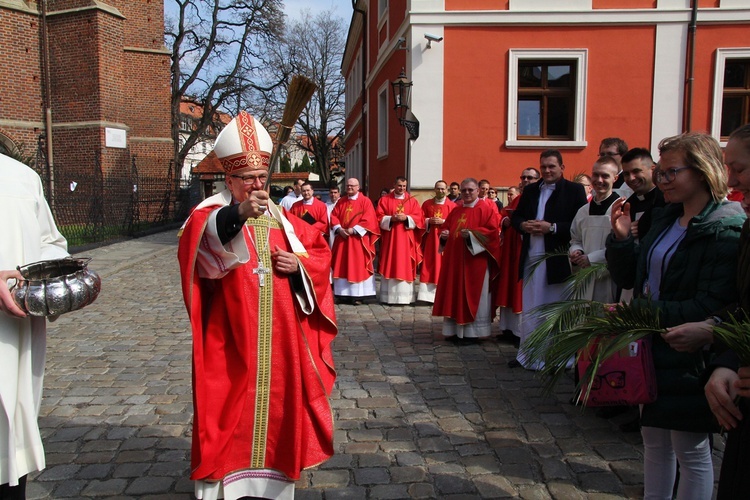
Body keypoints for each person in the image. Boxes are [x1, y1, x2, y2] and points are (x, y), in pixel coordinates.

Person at [177, 111, 337, 500]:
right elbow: (199, 248)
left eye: (260, 177)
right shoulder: (210, 213)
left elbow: (319, 254)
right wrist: (237, 215)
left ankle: (271, 486)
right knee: (224, 409)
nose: (255, 184)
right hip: (229, 336)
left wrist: (298, 265)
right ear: (228, 180)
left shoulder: (285, 220)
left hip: (281, 341)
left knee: (279, 411)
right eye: (246, 178)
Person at [606, 131, 745, 500]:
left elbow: (710, 304)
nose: (661, 181)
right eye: (660, 172)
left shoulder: (725, 229)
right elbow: (633, 278)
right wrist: (621, 240)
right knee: (653, 441)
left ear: (700, 172)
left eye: (670, 173)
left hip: (689, 354)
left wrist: (638, 312)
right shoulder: (666, 218)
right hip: (655, 346)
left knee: (690, 450)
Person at [666, 124, 750, 498]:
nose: (734, 179)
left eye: (741, 168)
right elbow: (745, 307)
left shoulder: (728, 228)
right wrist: (727, 356)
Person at [0, 153, 68, 499]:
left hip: (17, 337)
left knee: (11, 454)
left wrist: (50, 285)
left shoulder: (22, 177)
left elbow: (51, 244)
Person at [510, 151, 588, 369]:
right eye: (543, 167)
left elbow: (579, 223)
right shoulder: (532, 190)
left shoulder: (574, 190)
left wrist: (551, 228)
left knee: (555, 308)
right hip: (532, 257)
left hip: (558, 259)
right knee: (531, 306)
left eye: (552, 166)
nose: (547, 170)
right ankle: (529, 354)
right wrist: (523, 225)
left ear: (562, 167)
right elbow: (517, 216)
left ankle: (557, 357)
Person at [433, 178, 500, 341]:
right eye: (464, 191)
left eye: (470, 190)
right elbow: (446, 227)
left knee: (474, 294)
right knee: (454, 293)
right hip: (454, 261)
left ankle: (473, 333)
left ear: (478, 190)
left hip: (475, 262)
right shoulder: (456, 210)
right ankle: (454, 330)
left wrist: (472, 234)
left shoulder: (486, 209)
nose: (467, 193)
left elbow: (492, 233)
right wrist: (444, 234)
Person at [495, 168, 540, 338]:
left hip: (526, 248)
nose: (526, 180)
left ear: (537, 179)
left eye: (530, 177)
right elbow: (504, 214)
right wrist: (506, 220)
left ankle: (521, 332)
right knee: (509, 286)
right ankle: (508, 328)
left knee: (521, 289)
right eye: (523, 177)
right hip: (510, 250)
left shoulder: (538, 199)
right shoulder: (519, 198)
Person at [568, 157, 621, 302]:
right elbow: (576, 239)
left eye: (605, 176)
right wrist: (576, 251)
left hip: (608, 278)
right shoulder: (583, 211)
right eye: (596, 175)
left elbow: (621, 245)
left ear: (615, 178)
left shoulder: (620, 209)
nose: (599, 180)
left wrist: (591, 259)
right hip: (585, 277)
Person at [330, 178, 380, 304]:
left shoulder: (365, 201)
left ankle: (358, 295)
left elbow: (369, 219)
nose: (349, 188)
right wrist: (339, 229)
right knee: (342, 264)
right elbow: (334, 216)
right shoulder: (341, 201)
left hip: (358, 240)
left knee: (357, 266)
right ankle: (342, 294)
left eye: (352, 186)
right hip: (343, 239)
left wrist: (354, 230)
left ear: (358, 187)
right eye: (347, 185)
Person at [376, 177, 424, 304]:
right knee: (390, 262)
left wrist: (407, 218)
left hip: (406, 239)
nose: (401, 188)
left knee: (405, 263)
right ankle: (388, 297)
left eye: (404, 186)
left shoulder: (412, 201)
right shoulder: (385, 200)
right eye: (399, 186)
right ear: (394, 185)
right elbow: (378, 217)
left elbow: (419, 218)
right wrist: (391, 219)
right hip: (391, 239)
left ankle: (406, 297)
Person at [417, 180, 456, 303]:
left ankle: (444, 295)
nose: (440, 191)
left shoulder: (453, 206)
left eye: (443, 189)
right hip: (431, 240)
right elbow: (420, 219)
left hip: (446, 241)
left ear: (447, 190)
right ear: (434, 189)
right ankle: (427, 296)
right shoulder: (427, 204)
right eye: (438, 189)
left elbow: (456, 222)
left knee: (444, 265)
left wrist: (443, 222)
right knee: (429, 264)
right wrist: (429, 221)